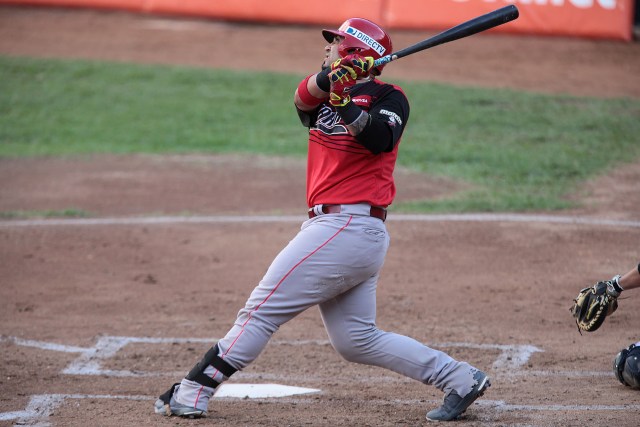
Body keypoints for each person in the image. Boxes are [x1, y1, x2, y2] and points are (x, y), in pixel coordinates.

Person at [153, 17, 490, 422]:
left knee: (260, 312)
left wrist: (348, 98)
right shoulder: (325, 94)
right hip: (338, 232)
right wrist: (337, 82)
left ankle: (194, 389)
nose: (326, 49)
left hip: (348, 227)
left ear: (354, 51)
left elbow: (379, 139)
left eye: (335, 44)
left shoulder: (391, 97)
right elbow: (301, 98)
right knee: (355, 340)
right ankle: (460, 378)